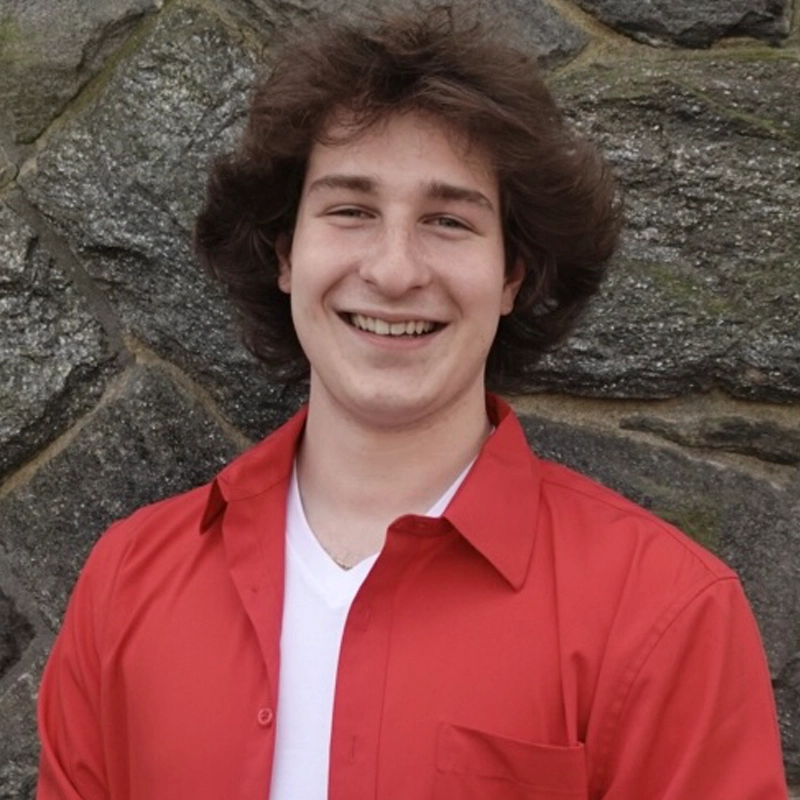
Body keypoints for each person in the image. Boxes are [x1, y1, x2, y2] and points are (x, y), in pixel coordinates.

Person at [36, 6, 787, 799]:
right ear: (286, 253)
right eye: (351, 211)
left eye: (448, 220)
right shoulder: (126, 581)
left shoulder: (665, 610)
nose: (394, 271)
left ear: (512, 275)